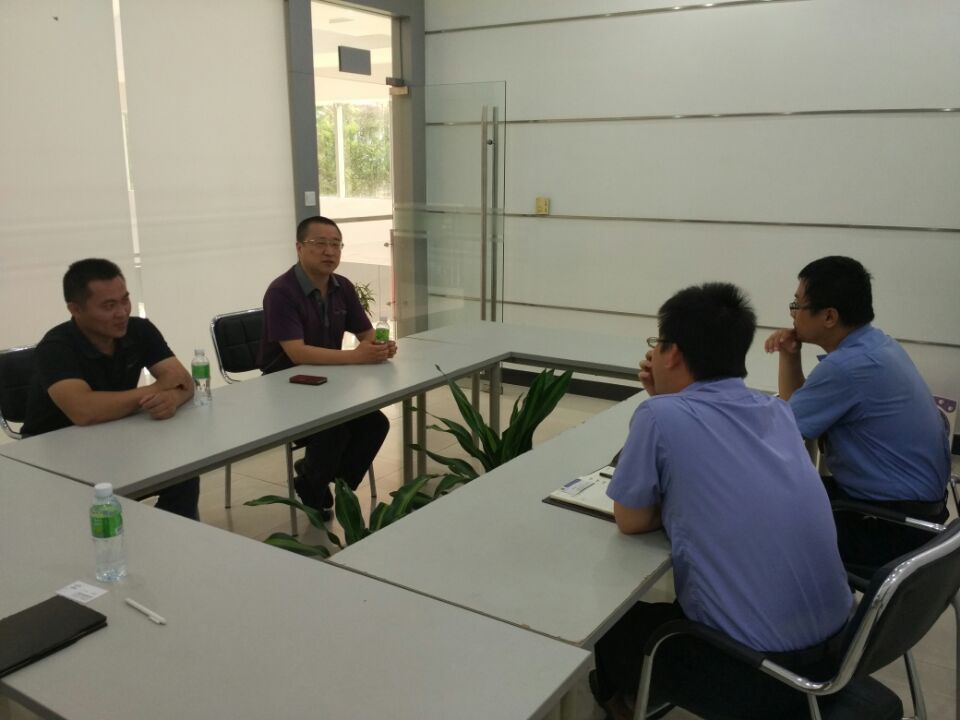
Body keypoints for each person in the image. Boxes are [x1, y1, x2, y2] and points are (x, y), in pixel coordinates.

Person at [592, 282, 852, 720]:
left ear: (673, 354)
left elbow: (631, 519)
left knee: (611, 627)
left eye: (658, 343)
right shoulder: (777, 411)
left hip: (758, 676)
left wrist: (663, 410)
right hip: (840, 654)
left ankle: (625, 705)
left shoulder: (658, 415)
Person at [764, 256, 950, 565]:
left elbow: (781, 433)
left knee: (758, 515)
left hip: (888, 526)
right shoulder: (879, 345)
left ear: (829, 316)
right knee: (782, 494)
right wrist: (789, 354)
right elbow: (795, 412)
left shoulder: (848, 368)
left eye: (797, 305)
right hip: (920, 514)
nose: (793, 314)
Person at [22, 258, 200, 519]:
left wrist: (171, 398)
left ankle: (171, 539)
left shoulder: (139, 329)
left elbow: (182, 380)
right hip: (53, 455)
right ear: (75, 309)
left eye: (125, 300)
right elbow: (84, 411)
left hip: (116, 438)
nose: (122, 312)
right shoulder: (55, 348)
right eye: (109, 306)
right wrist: (156, 389)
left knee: (183, 473)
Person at [259, 215, 395, 514]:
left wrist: (380, 346)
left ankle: (318, 478)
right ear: (299, 247)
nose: (329, 251)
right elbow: (296, 353)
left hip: (329, 382)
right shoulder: (281, 292)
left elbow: (365, 332)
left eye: (336, 244)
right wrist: (356, 357)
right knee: (335, 428)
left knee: (375, 424)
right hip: (286, 386)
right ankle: (315, 482)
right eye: (320, 243)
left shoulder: (341, 286)